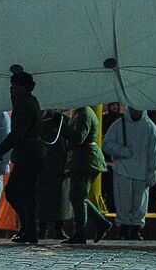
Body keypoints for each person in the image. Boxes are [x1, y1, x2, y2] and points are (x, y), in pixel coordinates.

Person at [0, 70, 42, 245]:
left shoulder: (23, 104)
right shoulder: (30, 101)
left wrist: (0, 151)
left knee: (15, 192)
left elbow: (17, 133)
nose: (11, 88)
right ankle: (29, 230)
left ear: (22, 87)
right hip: (32, 154)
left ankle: (29, 229)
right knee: (26, 194)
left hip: (27, 155)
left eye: (14, 85)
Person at [102, 107, 156, 240]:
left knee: (136, 203)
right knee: (127, 202)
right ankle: (128, 229)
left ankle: (132, 229)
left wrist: (153, 170)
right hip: (127, 170)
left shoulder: (148, 126)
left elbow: (154, 152)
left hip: (133, 170)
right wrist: (122, 151)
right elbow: (107, 144)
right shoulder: (147, 126)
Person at [62, 104, 110, 244]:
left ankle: (80, 232)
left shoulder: (83, 114)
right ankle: (100, 223)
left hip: (86, 160)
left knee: (78, 195)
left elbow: (78, 137)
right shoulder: (80, 112)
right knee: (78, 195)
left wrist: (63, 126)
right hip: (82, 160)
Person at [36, 110, 71, 239]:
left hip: (60, 165)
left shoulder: (64, 121)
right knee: (43, 198)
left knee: (60, 199)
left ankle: (59, 228)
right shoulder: (38, 121)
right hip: (43, 165)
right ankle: (42, 228)